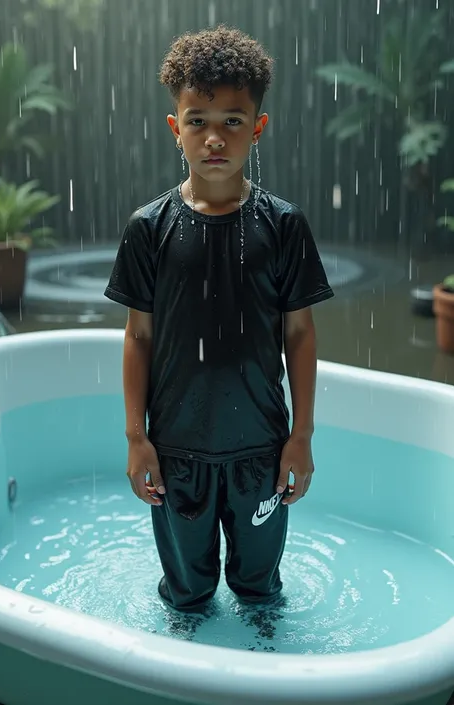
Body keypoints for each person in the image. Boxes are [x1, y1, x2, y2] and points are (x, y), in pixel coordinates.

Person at [104, 25, 334, 613]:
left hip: (260, 450)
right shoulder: (149, 229)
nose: (214, 138)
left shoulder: (282, 226)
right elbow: (139, 336)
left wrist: (300, 437)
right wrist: (138, 439)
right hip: (177, 451)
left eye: (232, 121)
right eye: (197, 119)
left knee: (260, 594)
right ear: (173, 127)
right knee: (186, 595)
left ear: (258, 127)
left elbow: (300, 335)